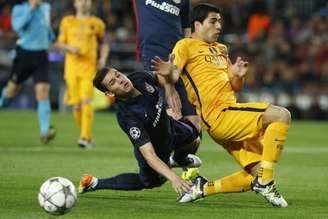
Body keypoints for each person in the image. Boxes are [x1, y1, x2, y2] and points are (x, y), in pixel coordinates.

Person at [152, 3, 291, 207]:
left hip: (230, 113)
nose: (219, 26)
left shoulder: (221, 49)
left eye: (219, 21)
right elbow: (174, 73)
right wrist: (167, 72)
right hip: (217, 115)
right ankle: (266, 183)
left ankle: (202, 188)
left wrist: (237, 76)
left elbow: (234, 86)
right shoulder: (185, 45)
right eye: (213, 21)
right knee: (282, 115)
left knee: (256, 171)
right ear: (197, 24)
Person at [78, 67, 202, 195]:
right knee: (150, 182)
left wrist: (169, 87)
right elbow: (149, 155)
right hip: (156, 149)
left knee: (195, 136)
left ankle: (177, 159)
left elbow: (161, 78)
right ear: (110, 93)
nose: (120, 80)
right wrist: (175, 178)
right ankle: (94, 183)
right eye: (112, 83)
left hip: (170, 127)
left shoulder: (138, 77)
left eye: (118, 75)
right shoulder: (127, 117)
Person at [133, 0, 201, 180]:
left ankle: (178, 159)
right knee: (173, 117)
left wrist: (191, 56)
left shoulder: (183, 2)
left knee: (195, 126)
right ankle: (154, 169)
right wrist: (169, 87)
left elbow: (187, 31)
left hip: (178, 63)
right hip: (153, 58)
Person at [55, 0, 109, 148]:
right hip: (71, 69)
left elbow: (104, 43)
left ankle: (84, 137)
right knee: (76, 106)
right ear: (75, 3)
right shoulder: (67, 21)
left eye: (87, 0)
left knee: (86, 101)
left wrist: (102, 59)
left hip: (88, 69)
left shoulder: (96, 23)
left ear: (90, 4)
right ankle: (87, 136)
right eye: (81, 0)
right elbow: (58, 44)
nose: (84, 3)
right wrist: (69, 48)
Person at [0, 0, 56, 144]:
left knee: (43, 91)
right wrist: (30, 9)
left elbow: (46, 25)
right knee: (11, 91)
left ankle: (45, 131)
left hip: (42, 55)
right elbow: (17, 26)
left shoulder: (46, 7)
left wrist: (50, 36)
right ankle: (2, 101)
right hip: (25, 54)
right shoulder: (20, 8)